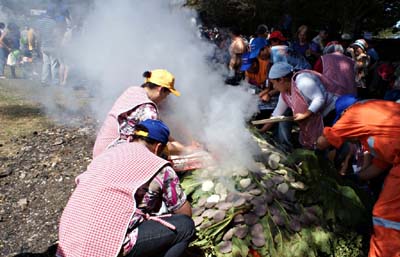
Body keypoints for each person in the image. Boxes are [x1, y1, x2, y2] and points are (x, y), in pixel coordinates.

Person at [57, 119, 194, 257]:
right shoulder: (159, 166)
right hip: (103, 248)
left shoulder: (109, 153)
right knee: (185, 226)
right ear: (158, 147)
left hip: (69, 241)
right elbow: (184, 212)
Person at [316, 100, 400, 257]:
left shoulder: (353, 114)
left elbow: (324, 141)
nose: (350, 140)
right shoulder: (378, 122)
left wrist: (316, 148)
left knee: (386, 215)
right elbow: (378, 167)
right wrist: (353, 178)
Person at [93, 69, 184, 158]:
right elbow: (156, 144)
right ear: (161, 90)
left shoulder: (132, 91)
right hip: (114, 155)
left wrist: (176, 143)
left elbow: (160, 130)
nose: (165, 99)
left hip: (100, 150)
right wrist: (185, 150)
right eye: (166, 95)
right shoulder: (148, 109)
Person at [260, 62, 338, 149]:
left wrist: (305, 115)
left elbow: (319, 99)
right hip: (318, 117)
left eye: (274, 83)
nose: (274, 87)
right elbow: (277, 113)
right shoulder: (285, 93)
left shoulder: (303, 82)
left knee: (329, 145)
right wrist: (262, 130)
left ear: (282, 79)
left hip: (331, 112)